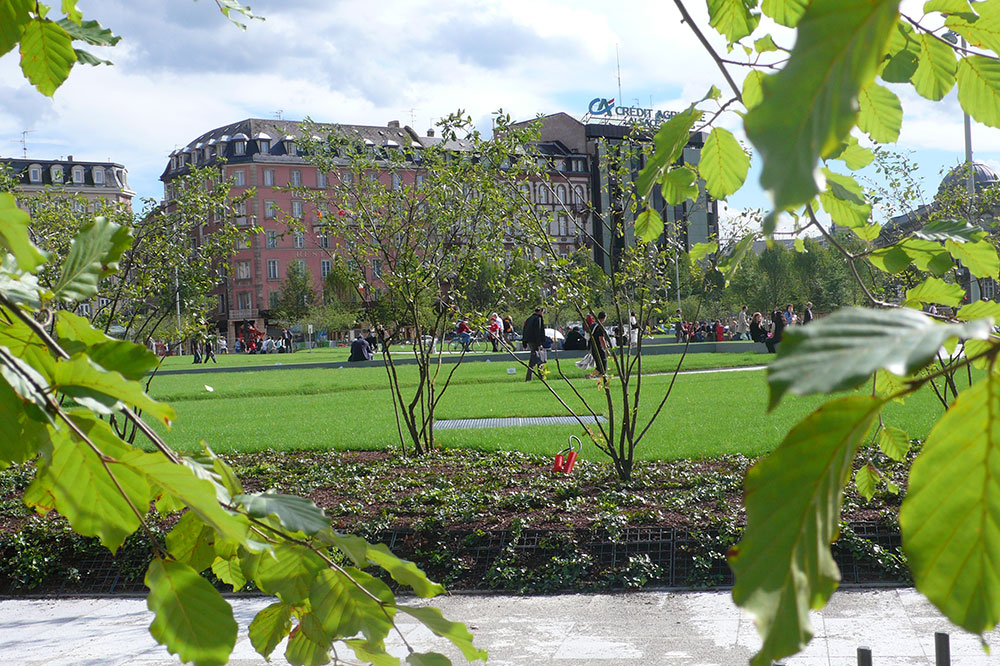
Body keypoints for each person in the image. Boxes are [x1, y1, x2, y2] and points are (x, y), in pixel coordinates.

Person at [522, 306, 546, 382]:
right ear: (540, 311)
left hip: (529, 340)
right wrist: (539, 343)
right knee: (535, 359)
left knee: (538, 358)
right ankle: (530, 378)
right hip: (535, 341)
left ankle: (541, 376)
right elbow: (538, 331)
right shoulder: (538, 318)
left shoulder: (529, 319)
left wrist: (524, 343)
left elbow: (525, 330)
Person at [591, 312, 610, 376]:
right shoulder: (600, 326)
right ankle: (591, 376)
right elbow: (601, 339)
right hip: (599, 348)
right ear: (604, 318)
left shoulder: (593, 325)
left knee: (599, 366)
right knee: (603, 364)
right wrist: (606, 349)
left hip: (593, 347)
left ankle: (595, 377)